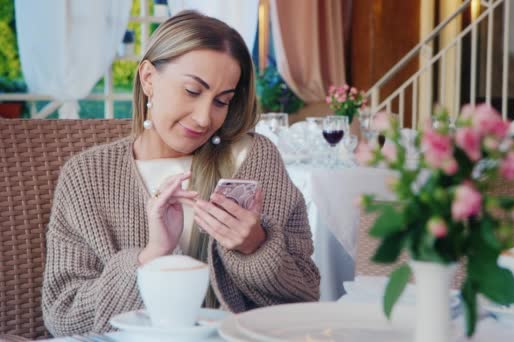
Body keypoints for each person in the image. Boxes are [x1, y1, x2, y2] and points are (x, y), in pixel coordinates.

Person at [41, 10, 320, 336]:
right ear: (148, 78)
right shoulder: (86, 175)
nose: (204, 118)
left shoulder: (251, 160)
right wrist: (150, 257)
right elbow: (63, 314)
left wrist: (255, 247)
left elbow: (305, 296)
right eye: (192, 91)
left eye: (221, 101)